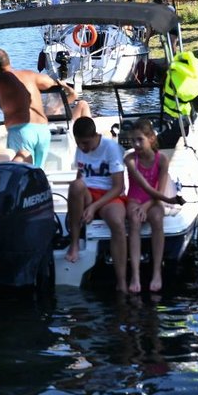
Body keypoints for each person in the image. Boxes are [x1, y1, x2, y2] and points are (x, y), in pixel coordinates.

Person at [65, 117, 129, 292]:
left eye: (85, 143)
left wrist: (93, 207)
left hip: (109, 194)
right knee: (75, 186)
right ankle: (75, 243)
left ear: (95, 136)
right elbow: (81, 176)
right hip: (88, 192)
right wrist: (79, 205)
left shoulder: (111, 148)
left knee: (117, 223)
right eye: (79, 144)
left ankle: (121, 280)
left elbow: (118, 187)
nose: (83, 148)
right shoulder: (80, 149)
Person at [124, 118, 185, 293]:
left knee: (157, 218)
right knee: (134, 221)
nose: (135, 144)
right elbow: (144, 187)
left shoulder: (162, 160)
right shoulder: (130, 160)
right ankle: (135, 274)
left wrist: (147, 206)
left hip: (156, 198)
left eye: (139, 140)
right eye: (132, 140)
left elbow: (160, 189)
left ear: (151, 138)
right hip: (136, 198)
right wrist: (142, 207)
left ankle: (157, 271)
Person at [0, 49, 64, 168]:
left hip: (22, 132)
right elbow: (51, 83)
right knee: (38, 171)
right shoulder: (30, 74)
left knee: (18, 173)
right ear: (9, 62)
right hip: (43, 131)